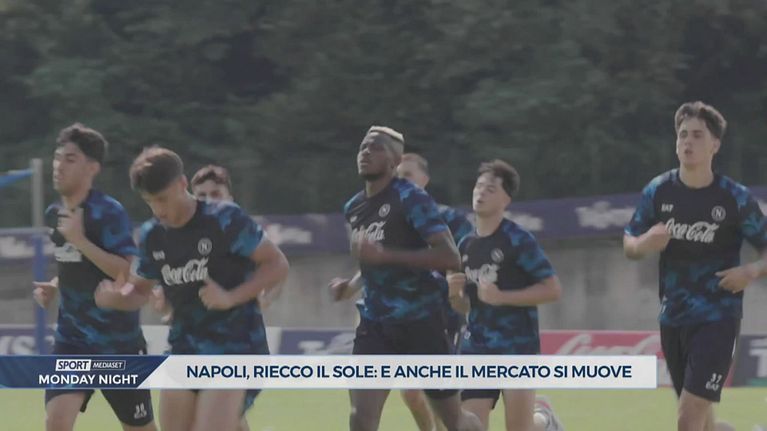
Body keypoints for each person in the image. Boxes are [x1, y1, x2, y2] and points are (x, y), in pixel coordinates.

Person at [97, 147, 289, 431]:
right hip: (184, 348)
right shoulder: (152, 235)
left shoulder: (224, 219)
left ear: (182, 184)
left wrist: (230, 298)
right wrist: (116, 298)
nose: (158, 210)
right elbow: (139, 291)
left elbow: (277, 264)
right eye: (150, 202)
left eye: (162, 199)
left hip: (235, 347)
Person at [624, 101, 767, 431]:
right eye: (682, 134)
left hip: (718, 318)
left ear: (715, 144)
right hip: (673, 318)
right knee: (702, 423)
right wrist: (643, 243)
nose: (687, 141)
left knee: (688, 419)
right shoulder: (658, 191)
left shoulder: (735, 198)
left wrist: (751, 271)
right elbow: (629, 243)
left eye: (697, 135)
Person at [329, 126, 482, 431]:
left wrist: (385, 255)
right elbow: (372, 261)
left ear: (394, 161)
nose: (365, 153)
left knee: (453, 420)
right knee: (361, 417)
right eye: (362, 147)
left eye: (376, 148)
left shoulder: (411, 198)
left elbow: (449, 257)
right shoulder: (354, 207)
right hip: (375, 324)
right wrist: (350, 286)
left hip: (421, 322)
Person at [34, 123, 157, 431]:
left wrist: (80, 239)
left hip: (118, 344)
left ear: (92, 168)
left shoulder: (108, 212)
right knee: (57, 422)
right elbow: (75, 265)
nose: (59, 166)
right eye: (57, 157)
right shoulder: (54, 213)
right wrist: (56, 285)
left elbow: (128, 271)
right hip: (72, 341)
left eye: (70, 159)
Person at [447, 159, 563, 431]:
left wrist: (502, 297)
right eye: (479, 186)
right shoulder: (465, 244)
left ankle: (545, 420)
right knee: (470, 426)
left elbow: (552, 289)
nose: (481, 192)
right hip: (477, 346)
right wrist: (454, 296)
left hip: (517, 346)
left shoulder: (517, 239)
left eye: (490, 189)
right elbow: (465, 306)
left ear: (506, 200)